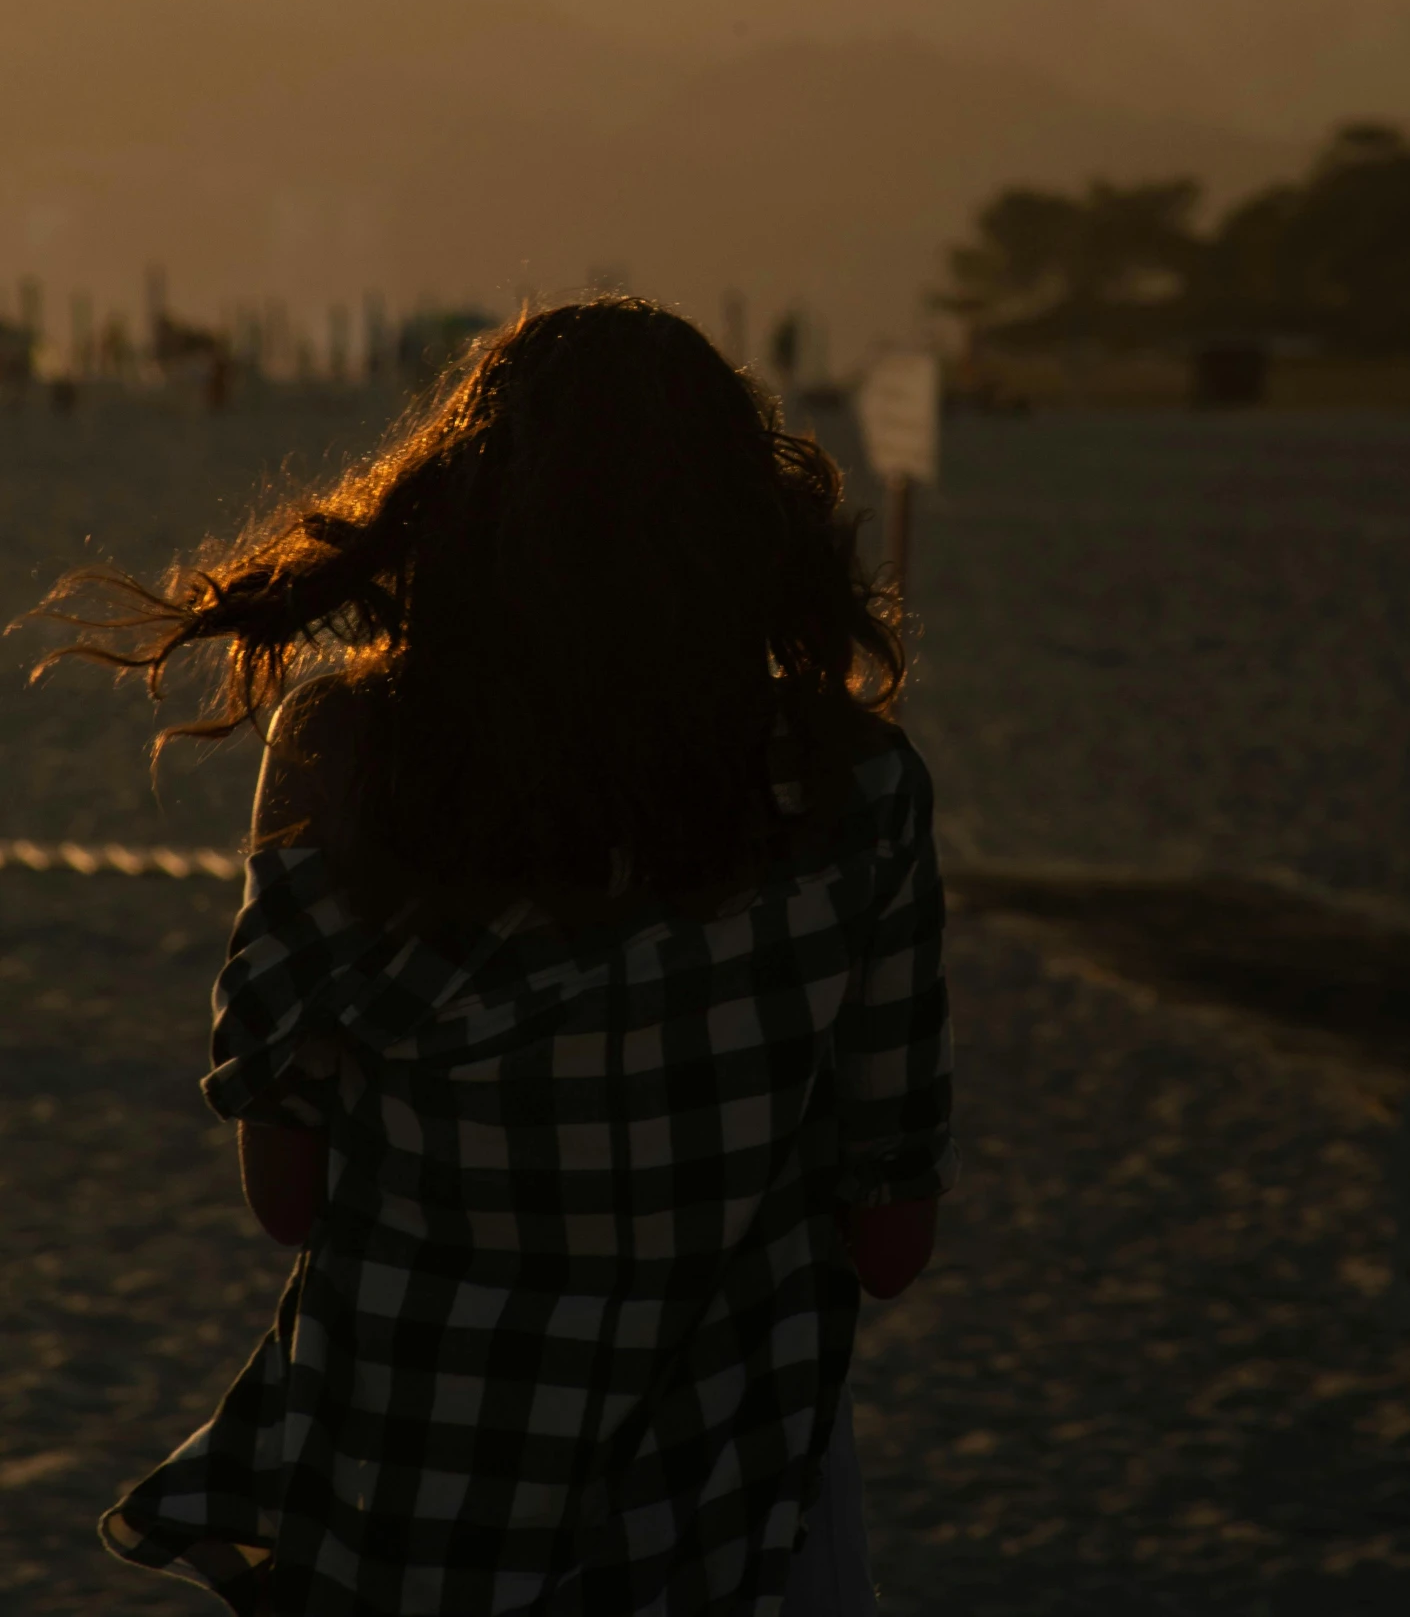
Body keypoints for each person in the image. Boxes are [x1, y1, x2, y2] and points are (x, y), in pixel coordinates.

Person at [35, 300, 957, 1615]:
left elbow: (285, 1192)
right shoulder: (857, 784)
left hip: (406, 1496)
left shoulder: (349, 746)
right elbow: (891, 1236)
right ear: (741, 519)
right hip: (720, 1500)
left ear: (462, 507)